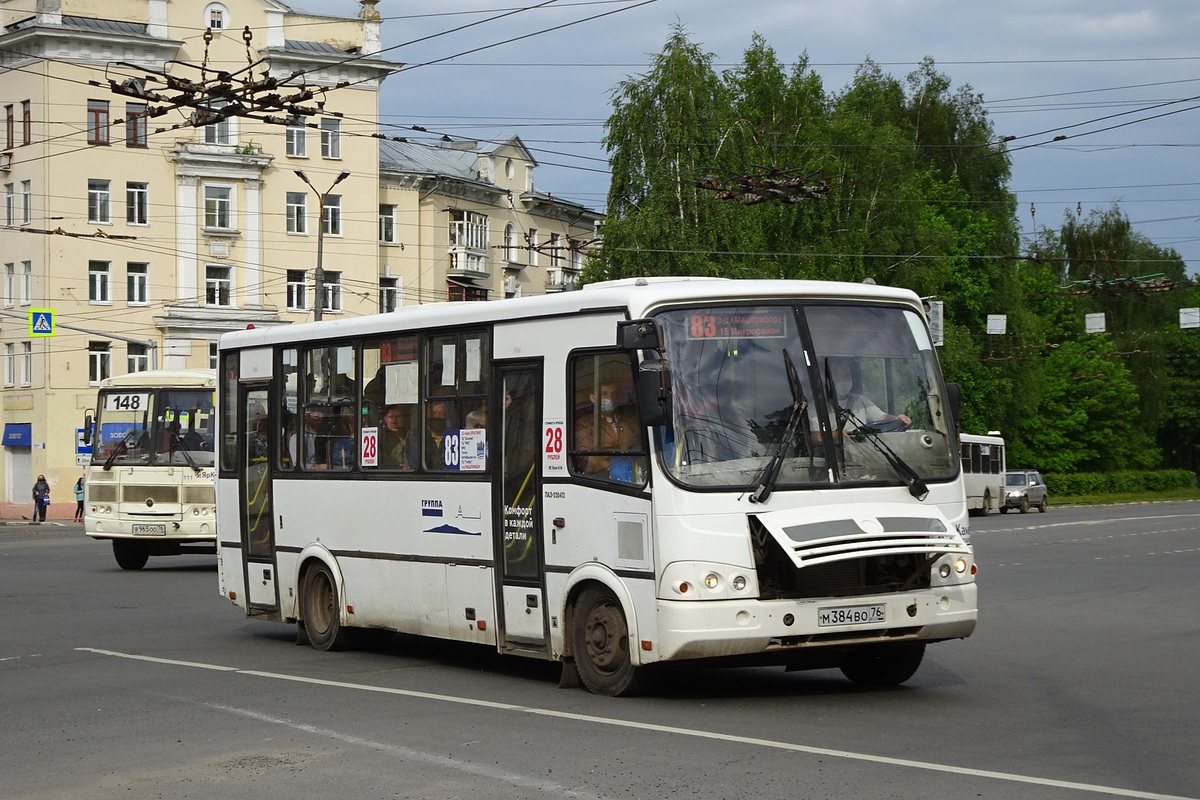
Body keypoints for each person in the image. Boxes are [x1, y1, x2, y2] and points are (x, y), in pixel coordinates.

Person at [574, 381, 640, 481]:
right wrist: (611, 464)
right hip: (601, 481)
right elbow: (586, 461)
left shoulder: (626, 422)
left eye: (613, 394)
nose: (609, 398)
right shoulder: (584, 425)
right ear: (593, 398)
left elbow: (637, 447)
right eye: (604, 394)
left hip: (630, 478)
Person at [827, 359, 911, 430]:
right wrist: (837, 436)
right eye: (838, 376)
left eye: (846, 376)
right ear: (829, 380)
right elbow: (814, 437)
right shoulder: (817, 405)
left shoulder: (861, 401)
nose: (844, 380)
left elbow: (882, 417)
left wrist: (897, 419)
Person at [378, 404, 412, 468]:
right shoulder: (380, 439)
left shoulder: (413, 436)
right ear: (385, 419)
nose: (394, 421)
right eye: (390, 417)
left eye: (398, 417)